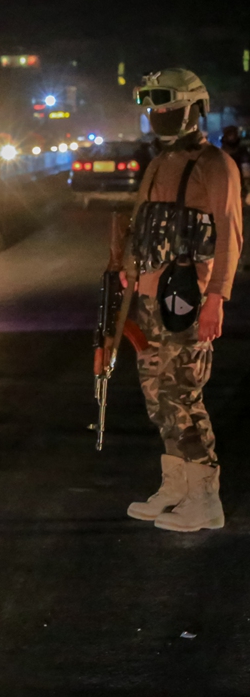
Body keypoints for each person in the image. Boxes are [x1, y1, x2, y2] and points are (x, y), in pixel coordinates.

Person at [113, 69, 243, 531]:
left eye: (169, 107)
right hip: (147, 300)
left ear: (194, 109)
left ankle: (205, 499)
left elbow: (230, 235)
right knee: (157, 397)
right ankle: (176, 486)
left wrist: (217, 298)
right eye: (154, 108)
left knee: (183, 393)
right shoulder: (156, 163)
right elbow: (143, 226)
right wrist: (126, 275)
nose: (159, 116)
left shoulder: (215, 165)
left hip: (187, 299)